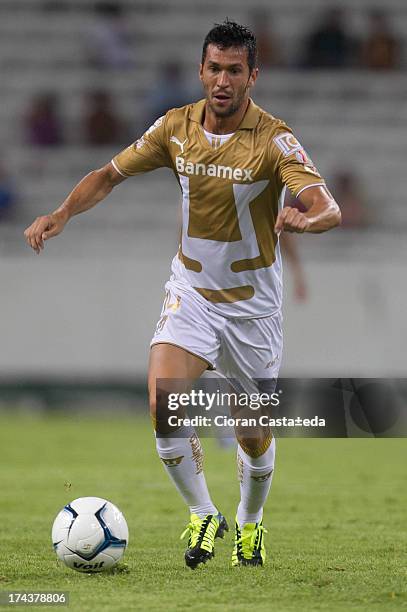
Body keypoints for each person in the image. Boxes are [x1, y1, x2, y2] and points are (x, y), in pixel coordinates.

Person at [24, 20, 341, 569]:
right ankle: (201, 513)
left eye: (234, 71)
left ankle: (249, 523)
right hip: (191, 292)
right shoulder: (174, 128)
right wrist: (61, 213)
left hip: (252, 309)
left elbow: (326, 204)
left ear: (252, 77)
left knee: (254, 436)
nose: (222, 80)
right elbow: (109, 174)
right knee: (163, 403)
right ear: (200, 71)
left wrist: (310, 221)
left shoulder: (274, 140)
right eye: (214, 68)